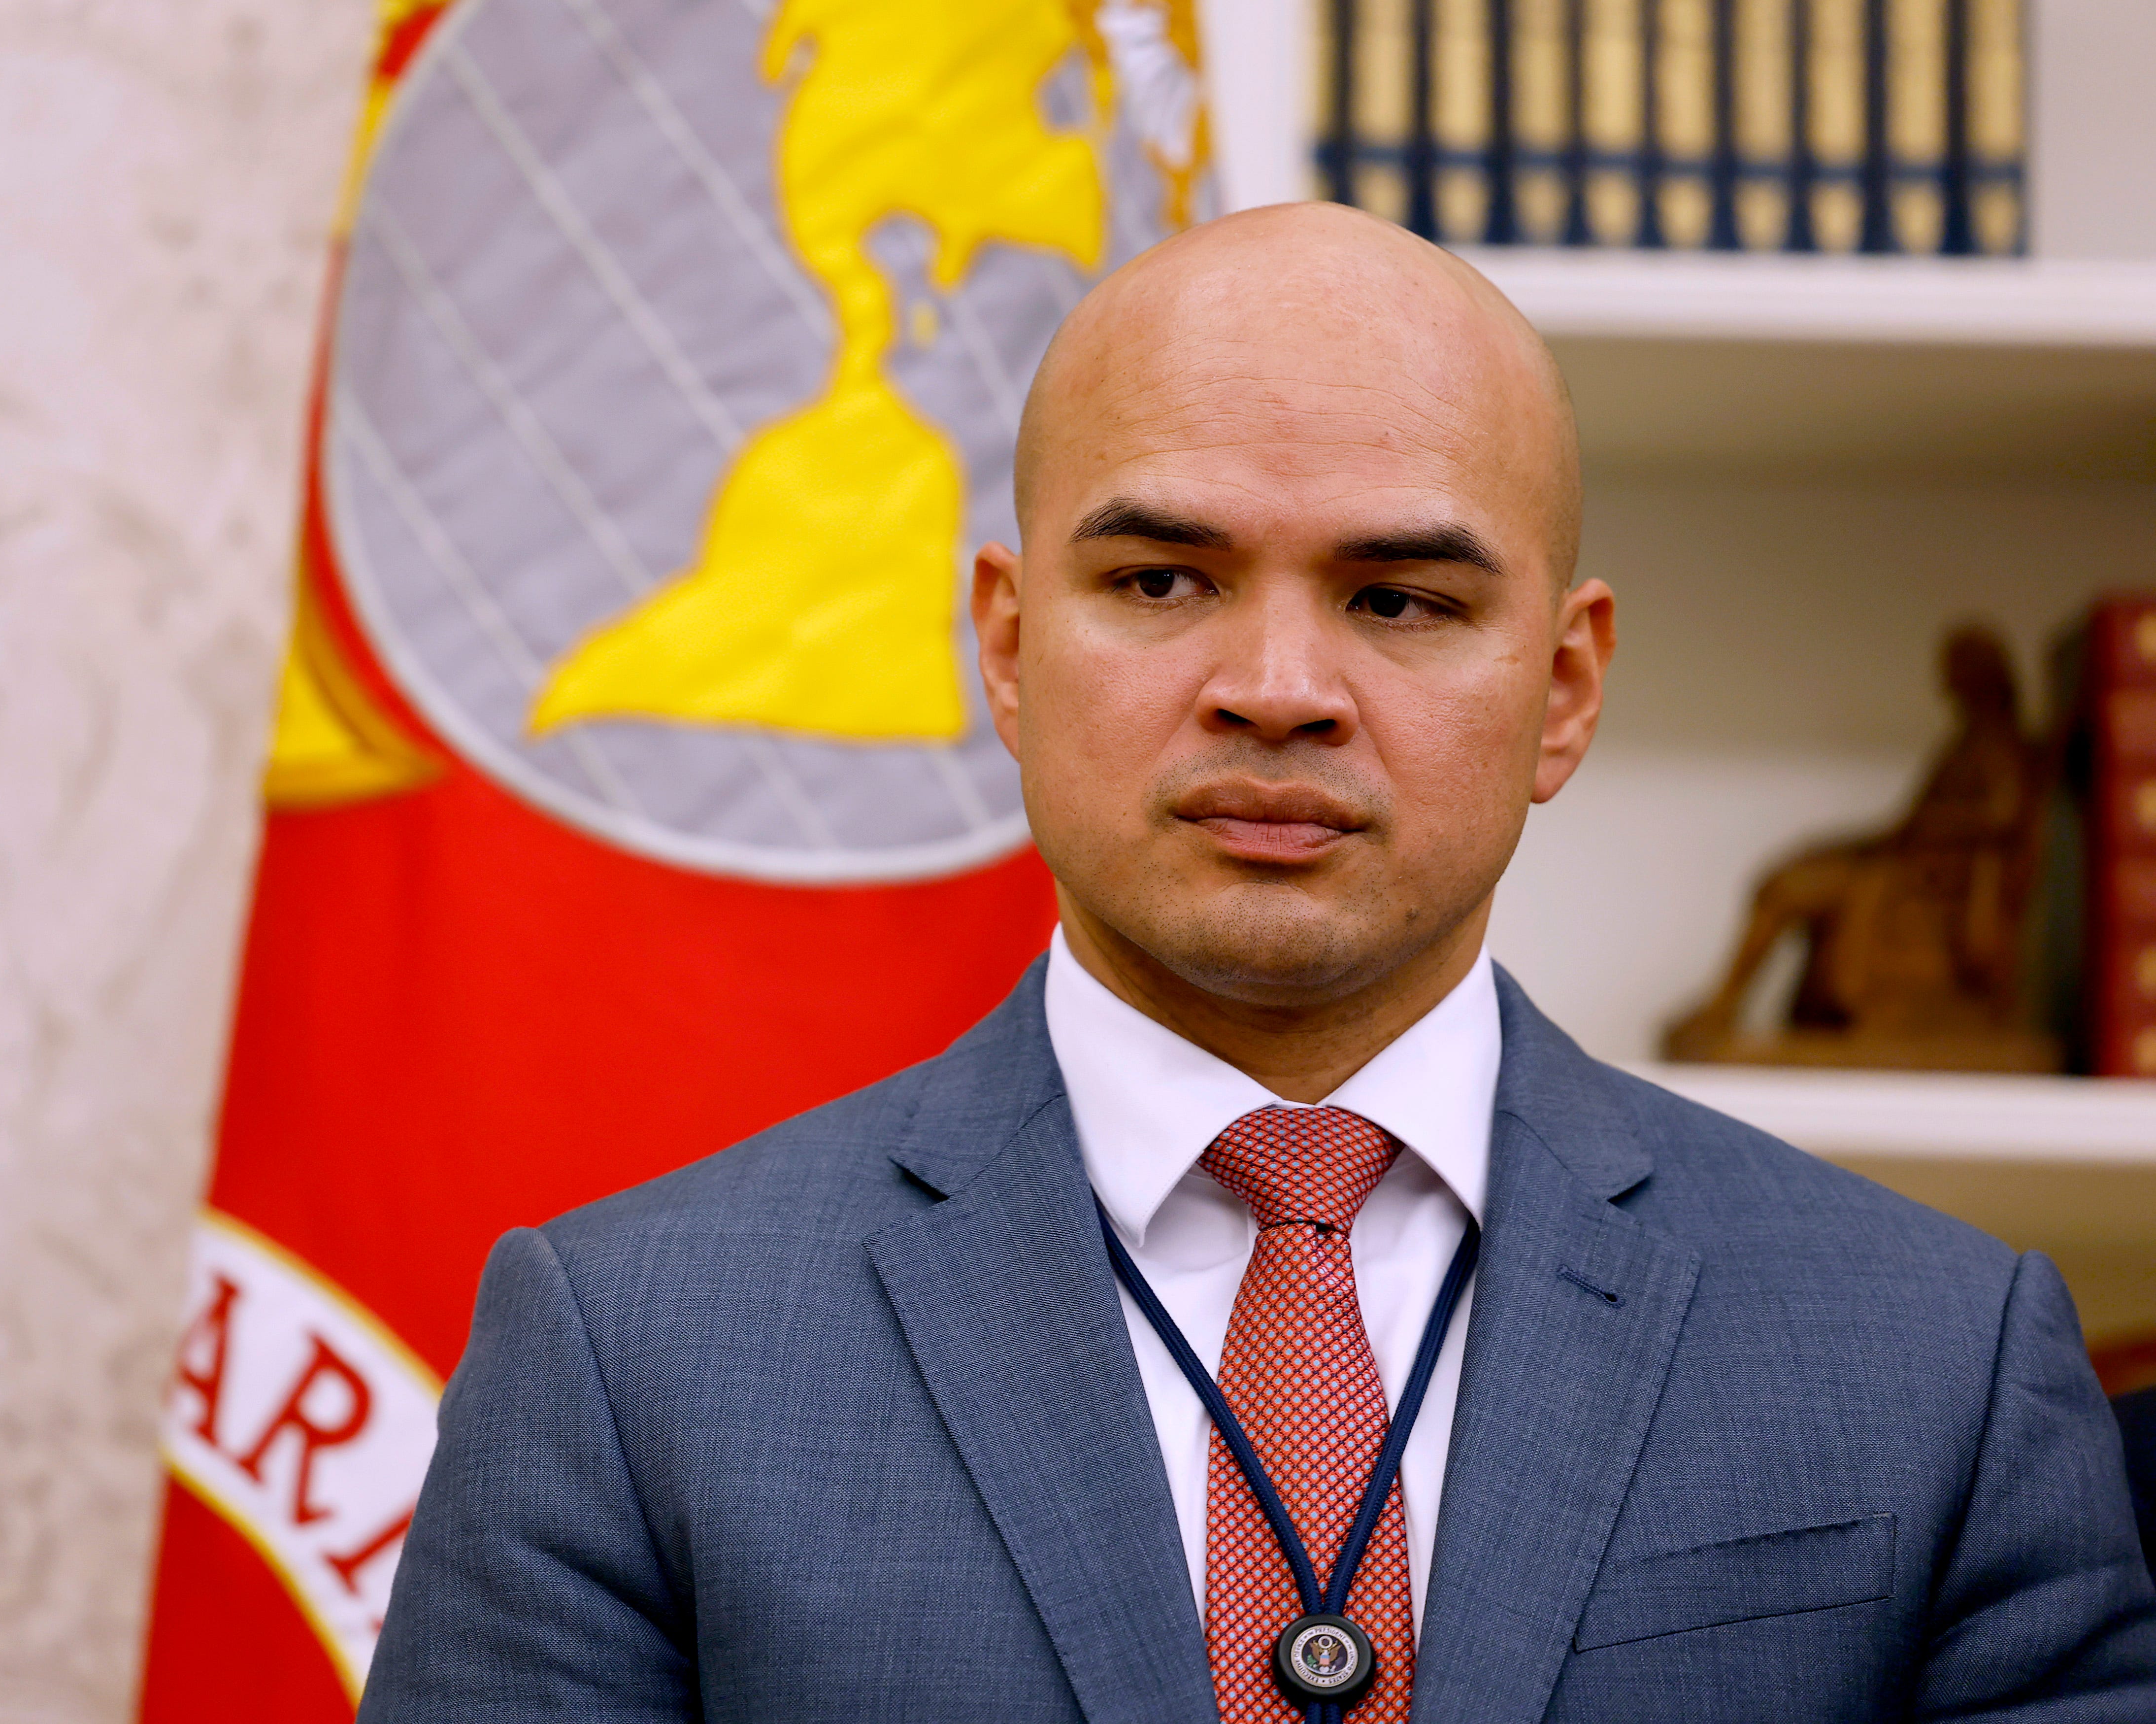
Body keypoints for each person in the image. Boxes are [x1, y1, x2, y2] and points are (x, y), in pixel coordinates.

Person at [358, 205, 2156, 1723]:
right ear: (1003, 646)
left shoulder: (1943, 1362)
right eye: (1159, 582)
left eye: (1400, 599)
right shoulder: (625, 1357)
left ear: (1567, 688)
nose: (1277, 686)